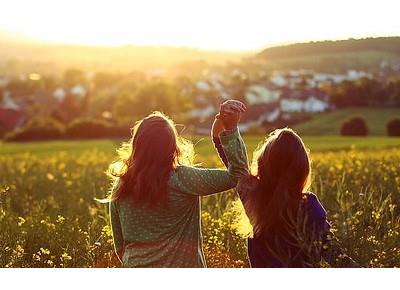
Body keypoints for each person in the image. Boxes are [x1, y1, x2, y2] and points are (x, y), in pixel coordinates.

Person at [103, 100, 249, 267]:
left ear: (136, 145)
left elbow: (120, 247)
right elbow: (239, 175)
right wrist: (228, 129)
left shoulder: (121, 186)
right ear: (173, 146)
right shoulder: (182, 178)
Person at [213, 124, 358, 267]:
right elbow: (333, 254)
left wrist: (225, 124)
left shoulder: (254, 199)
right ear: (302, 168)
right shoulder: (309, 205)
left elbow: (234, 160)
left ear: (262, 164)